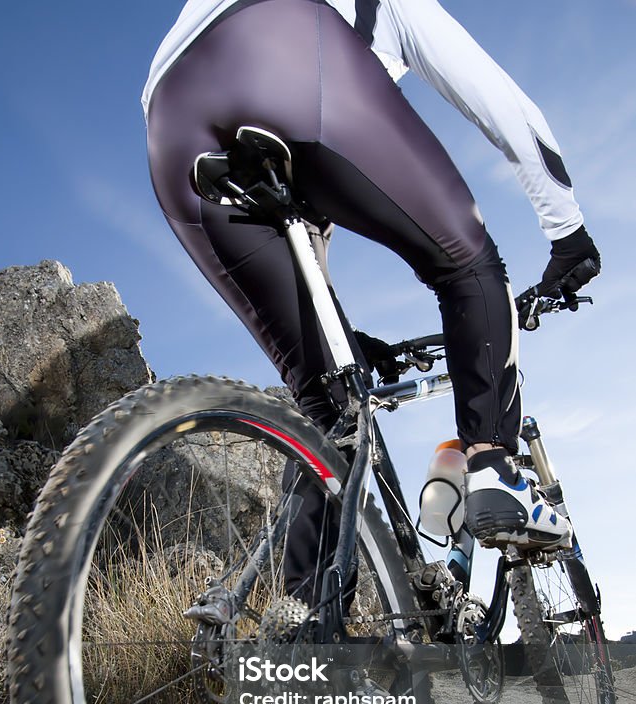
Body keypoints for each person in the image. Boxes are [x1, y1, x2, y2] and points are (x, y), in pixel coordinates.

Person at [142, 0, 600, 571]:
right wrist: (567, 230)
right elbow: (497, 99)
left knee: (327, 407)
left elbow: (308, 243)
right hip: (279, 31)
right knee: (468, 266)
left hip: (167, 114)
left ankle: (307, 637)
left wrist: (345, 343)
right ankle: (491, 468)